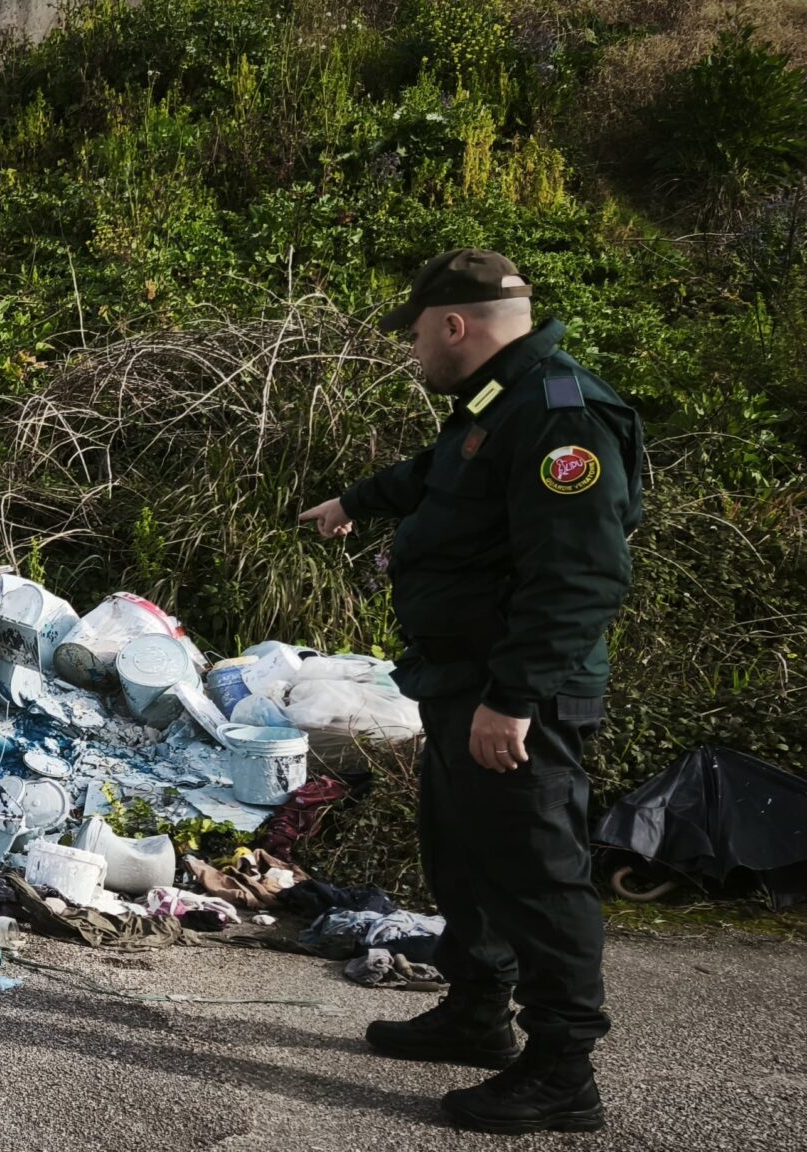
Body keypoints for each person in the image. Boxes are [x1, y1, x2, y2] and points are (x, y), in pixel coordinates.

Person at [297, 249, 643, 1135]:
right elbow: (440, 476)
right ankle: (477, 1011)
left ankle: (564, 1071)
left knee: (536, 872)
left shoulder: (564, 416)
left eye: (417, 335)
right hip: (460, 686)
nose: (415, 353)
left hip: (514, 697)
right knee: (464, 854)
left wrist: (515, 698)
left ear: (456, 325)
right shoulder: (496, 405)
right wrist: (354, 499)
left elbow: (578, 576)